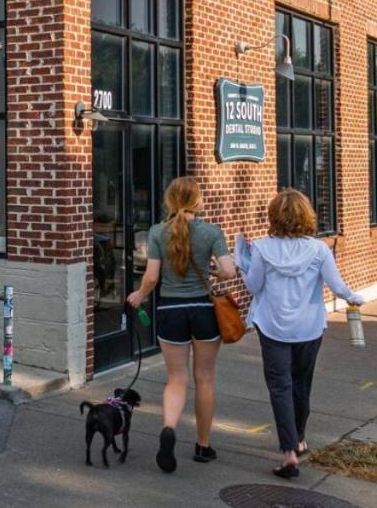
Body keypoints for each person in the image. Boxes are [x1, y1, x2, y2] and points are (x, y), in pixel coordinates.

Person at [242, 188, 363, 479]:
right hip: (309, 327)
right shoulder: (319, 250)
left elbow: (253, 286)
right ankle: (299, 438)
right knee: (301, 384)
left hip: (272, 326)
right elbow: (337, 285)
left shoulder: (261, 248)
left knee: (280, 387)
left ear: (274, 216)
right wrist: (354, 297)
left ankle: (290, 452)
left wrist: (243, 265)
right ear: (307, 216)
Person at [127, 176, 237, 473]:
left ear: (170, 200)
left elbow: (152, 277)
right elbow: (229, 271)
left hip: (170, 310)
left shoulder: (156, 232)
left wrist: (139, 295)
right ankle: (203, 445)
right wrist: (213, 271)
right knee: (205, 379)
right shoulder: (211, 231)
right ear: (197, 201)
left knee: (176, 378)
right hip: (203, 310)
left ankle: (169, 428)